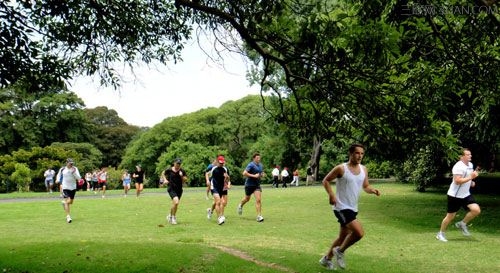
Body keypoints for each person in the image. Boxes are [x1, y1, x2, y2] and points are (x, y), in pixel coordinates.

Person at [319, 144, 380, 270]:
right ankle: (340, 252)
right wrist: (331, 195)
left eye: (362, 154)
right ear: (351, 153)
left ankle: (326, 259)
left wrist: (372, 190)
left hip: (353, 207)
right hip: (341, 207)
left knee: (342, 237)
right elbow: (326, 180)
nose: (360, 156)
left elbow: (365, 186)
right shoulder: (341, 169)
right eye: (357, 153)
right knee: (359, 233)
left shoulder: (364, 169)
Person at [436, 148, 481, 242]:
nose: (470, 156)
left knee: (476, 210)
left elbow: (468, 177)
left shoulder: (470, 165)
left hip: (465, 195)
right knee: (450, 216)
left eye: (470, 154)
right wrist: (471, 177)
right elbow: (457, 181)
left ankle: (462, 224)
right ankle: (440, 233)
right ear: (461, 156)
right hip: (454, 196)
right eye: (468, 154)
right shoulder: (458, 166)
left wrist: (471, 182)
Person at [237, 152, 265, 222]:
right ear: (254, 158)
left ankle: (259, 216)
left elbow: (260, 173)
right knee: (247, 199)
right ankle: (240, 205)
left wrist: (262, 174)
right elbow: (244, 173)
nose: (259, 159)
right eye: (257, 158)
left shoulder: (260, 165)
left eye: (259, 158)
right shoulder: (251, 165)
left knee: (258, 200)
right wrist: (254, 176)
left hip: (257, 185)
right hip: (249, 185)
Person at [161, 158, 188, 225]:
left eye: (179, 164)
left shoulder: (182, 171)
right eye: (177, 163)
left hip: (179, 189)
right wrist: (165, 180)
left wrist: (181, 176)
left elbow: (185, 180)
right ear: (174, 163)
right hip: (171, 188)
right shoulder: (169, 170)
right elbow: (163, 173)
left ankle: (170, 216)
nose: (178, 165)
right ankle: (173, 218)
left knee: (175, 204)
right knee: (176, 202)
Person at [56, 158, 81, 223]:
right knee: (67, 201)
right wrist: (57, 180)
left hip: (73, 187)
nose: (71, 164)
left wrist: (74, 173)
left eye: (72, 163)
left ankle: (63, 203)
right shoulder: (62, 169)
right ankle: (68, 216)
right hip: (65, 187)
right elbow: (58, 175)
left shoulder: (75, 169)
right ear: (66, 163)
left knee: (71, 202)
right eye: (70, 163)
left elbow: (79, 178)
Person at [208, 155, 231, 225]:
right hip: (214, 187)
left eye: (222, 163)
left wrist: (227, 178)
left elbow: (227, 179)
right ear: (217, 162)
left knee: (222, 202)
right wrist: (207, 181)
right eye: (220, 163)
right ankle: (219, 218)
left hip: (221, 187)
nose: (221, 164)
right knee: (218, 201)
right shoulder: (214, 169)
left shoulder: (225, 169)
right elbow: (209, 175)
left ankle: (212, 212)